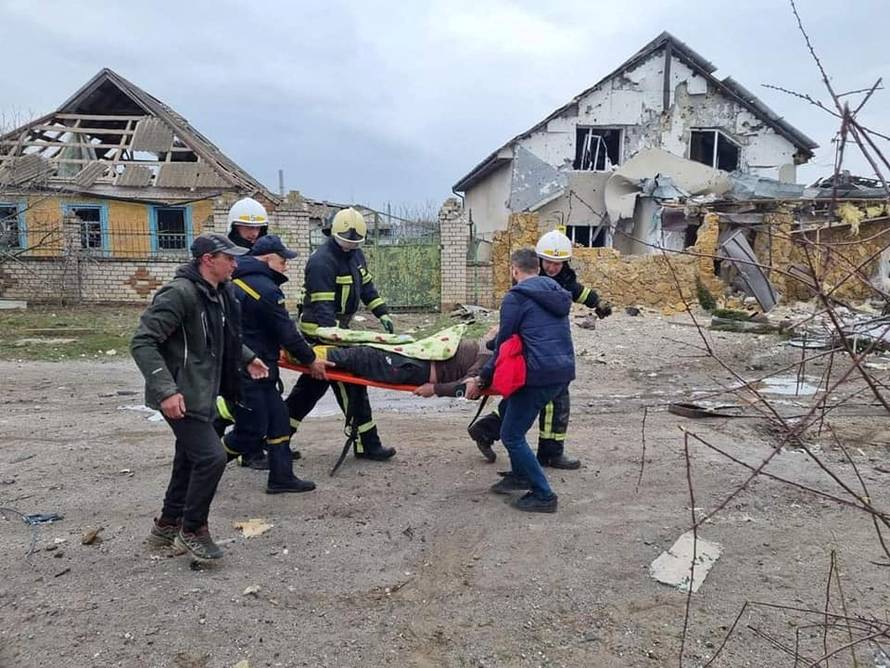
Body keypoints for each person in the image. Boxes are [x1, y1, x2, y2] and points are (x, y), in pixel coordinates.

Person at [132, 232, 269, 561]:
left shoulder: (220, 292)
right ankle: (192, 530)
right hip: (181, 394)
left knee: (189, 458)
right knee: (211, 457)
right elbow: (143, 342)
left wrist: (247, 357)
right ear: (208, 260)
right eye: (229, 258)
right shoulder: (179, 294)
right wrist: (166, 390)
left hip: (204, 391)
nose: (236, 263)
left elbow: (224, 337)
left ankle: (166, 526)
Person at [467, 229, 611, 468]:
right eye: (549, 262)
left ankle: (488, 430)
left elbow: (578, 291)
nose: (553, 268)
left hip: (550, 346)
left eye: (558, 263)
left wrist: (598, 302)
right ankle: (548, 452)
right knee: (545, 396)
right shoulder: (528, 279)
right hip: (533, 348)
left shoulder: (564, 278)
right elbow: (514, 310)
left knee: (537, 398)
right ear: (539, 261)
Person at [466, 248, 575, 513]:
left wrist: (481, 378)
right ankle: (520, 475)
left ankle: (544, 495)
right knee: (512, 413)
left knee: (511, 434)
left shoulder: (515, 298)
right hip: (561, 372)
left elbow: (504, 344)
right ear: (537, 268)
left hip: (537, 374)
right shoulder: (554, 292)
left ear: (514, 270)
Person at [285, 208, 396, 461]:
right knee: (351, 383)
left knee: (309, 391)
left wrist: (383, 313)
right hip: (320, 332)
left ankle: (273, 440)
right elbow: (323, 308)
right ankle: (367, 444)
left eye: (355, 242)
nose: (350, 246)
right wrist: (336, 338)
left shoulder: (356, 255)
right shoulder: (322, 261)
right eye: (346, 241)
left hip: (338, 330)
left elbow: (367, 287)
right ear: (334, 234)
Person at [224, 235, 332, 494]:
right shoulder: (266, 289)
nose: (286, 265)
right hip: (253, 369)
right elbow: (287, 331)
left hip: (254, 364)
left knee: (279, 420)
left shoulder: (239, 281)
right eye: (282, 259)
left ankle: (281, 477)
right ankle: (203, 466)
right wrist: (311, 360)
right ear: (266, 258)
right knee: (249, 431)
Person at [312, 335, 492, 398]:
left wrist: (434, 389)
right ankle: (308, 352)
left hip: (414, 367)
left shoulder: (490, 363)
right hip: (419, 357)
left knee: (363, 357)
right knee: (363, 352)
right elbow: (489, 339)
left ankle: (305, 354)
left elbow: (468, 388)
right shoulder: (493, 352)